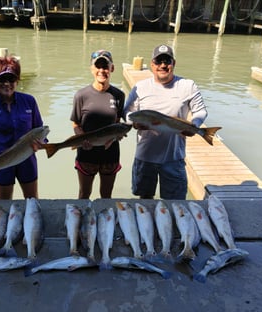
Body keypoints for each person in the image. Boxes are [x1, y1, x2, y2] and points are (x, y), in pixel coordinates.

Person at [124, 44, 208, 200]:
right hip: (145, 156)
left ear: (173, 63)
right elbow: (127, 112)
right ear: (152, 64)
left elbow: (201, 110)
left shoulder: (187, 85)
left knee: (175, 202)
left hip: (174, 158)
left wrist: (195, 125)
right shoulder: (140, 87)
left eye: (167, 61)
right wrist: (134, 123)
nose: (163, 65)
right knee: (145, 200)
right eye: (158, 61)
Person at [0, 56, 44, 199]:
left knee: (32, 199)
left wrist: (41, 144)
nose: (7, 83)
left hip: (27, 158)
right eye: (2, 79)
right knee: (4, 201)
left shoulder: (29, 101)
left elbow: (39, 129)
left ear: (18, 80)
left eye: (11, 79)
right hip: (0, 160)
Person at [70, 50, 125, 199]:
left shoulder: (119, 95)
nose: (102, 71)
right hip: (87, 154)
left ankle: (105, 220)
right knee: (84, 194)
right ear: (92, 69)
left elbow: (117, 123)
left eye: (105, 66)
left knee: (106, 195)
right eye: (98, 66)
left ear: (112, 68)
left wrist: (117, 136)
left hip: (110, 154)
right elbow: (75, 123)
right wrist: (82, 140)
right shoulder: (81, 95)